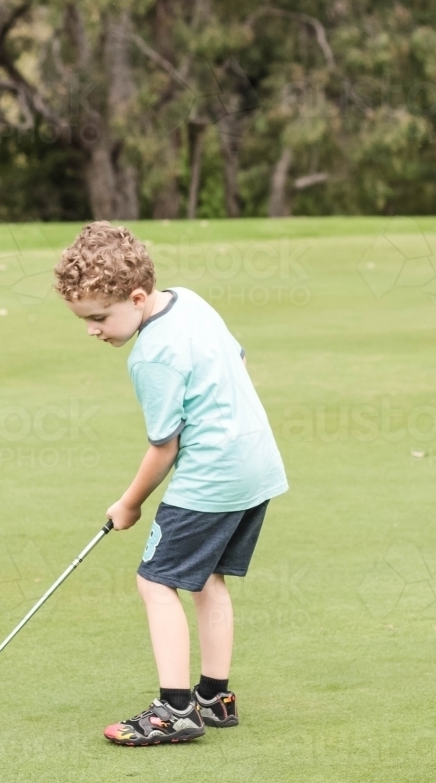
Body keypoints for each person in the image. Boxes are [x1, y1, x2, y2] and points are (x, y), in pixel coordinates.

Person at [54, 222, 288, 746]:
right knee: (206, 578)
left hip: (212, 475)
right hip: (257, 462)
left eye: (99, 317)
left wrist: (128, 504)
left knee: (155, 581)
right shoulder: (191, 301)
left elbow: (165, 446)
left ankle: (175, 710)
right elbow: (238, 357)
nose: (93, 329)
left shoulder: (150, 356)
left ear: (136, 297)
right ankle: (215, 697)